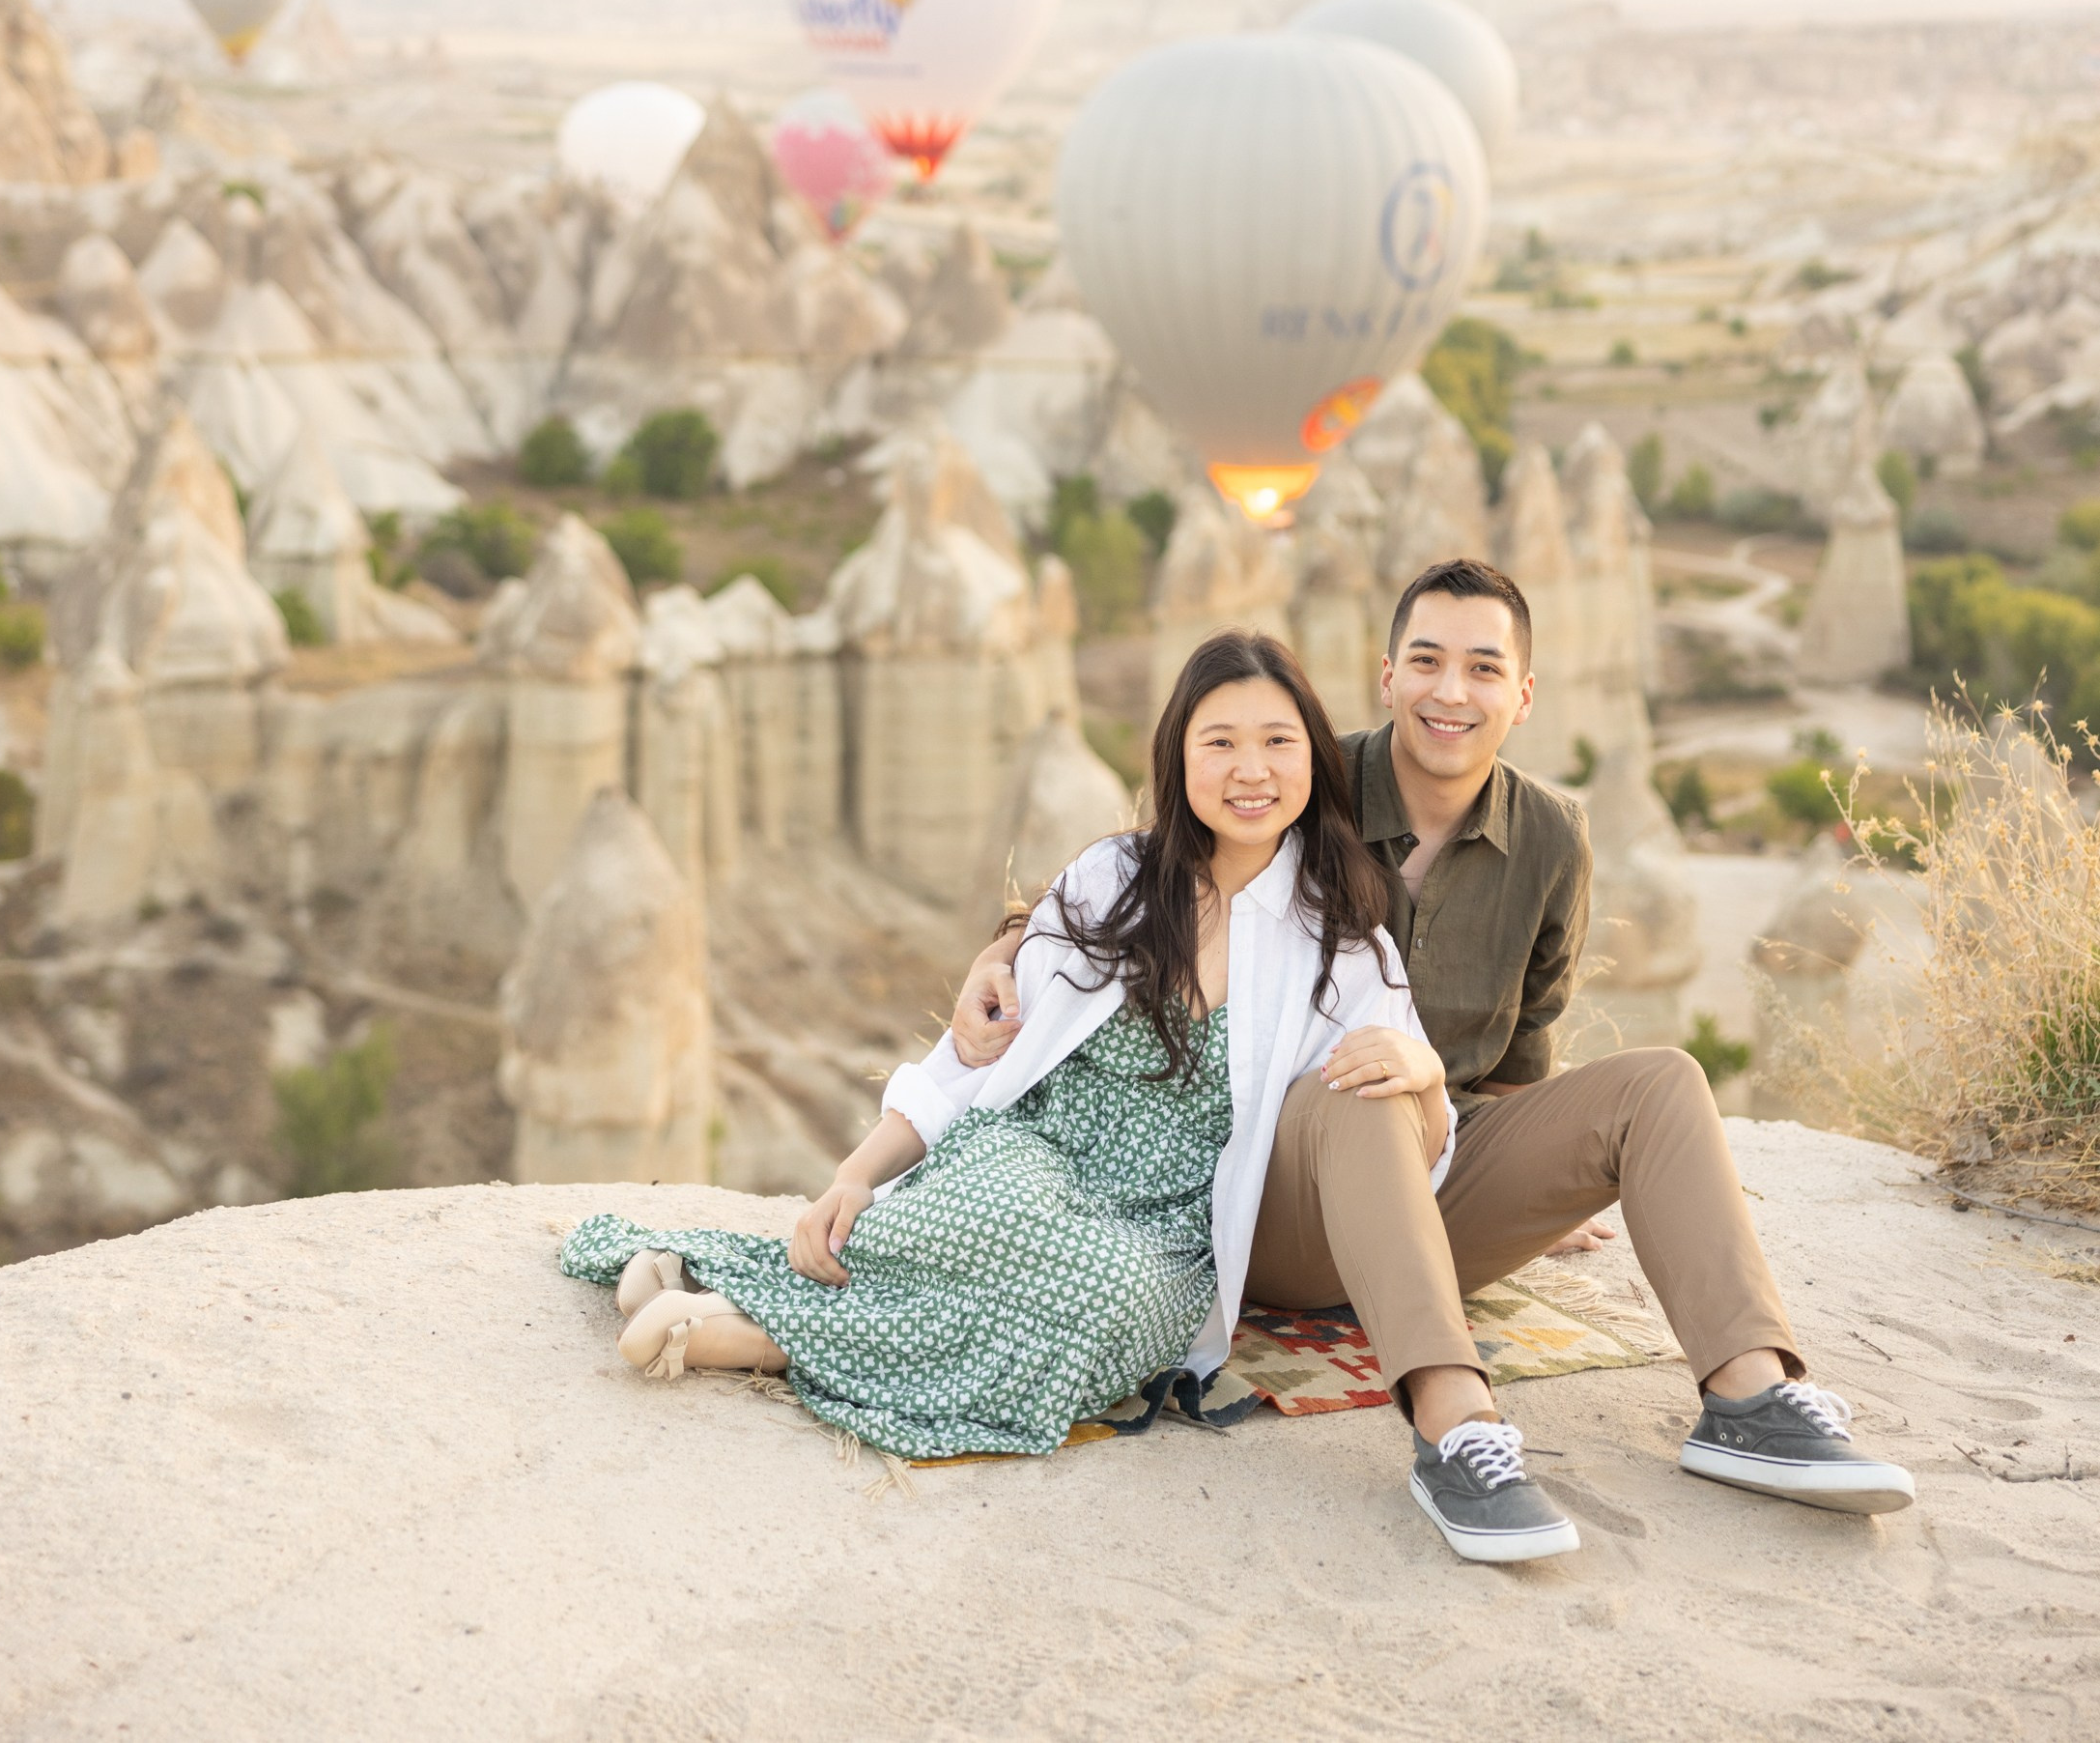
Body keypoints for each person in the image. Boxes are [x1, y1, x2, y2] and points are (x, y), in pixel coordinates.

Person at [951, 557, 1916, 1561]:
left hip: (1434, 1166)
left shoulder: (1550, 839)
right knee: (1365, 1076)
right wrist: (1009, 942)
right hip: (1275, 1188)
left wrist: (1544, 1186)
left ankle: (1748, 1397)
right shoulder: (1301, 784)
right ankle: (1455, 1433)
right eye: (1426, 662)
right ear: (1386, 677)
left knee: (1660, 1081)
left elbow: (1521, 1046)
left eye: (1482, 669)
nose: (1450, 693)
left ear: (1522, 694)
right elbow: (1146, 881)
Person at [556, 630, 1460, 1477]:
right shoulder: (1109, 880)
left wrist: (1425, 1077)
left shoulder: (1341, 943)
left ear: (1313, 758)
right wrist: (856, 1174)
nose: (1250, 771)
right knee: (990, 1219)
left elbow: (1406, 1135)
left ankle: (748, 1330)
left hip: (1163, 1227)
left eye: (1277, 742)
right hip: (1038, 1154)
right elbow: (980, 1055)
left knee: (1108, 1301)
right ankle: (726, 1298)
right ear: (1178, 759)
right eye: (1219, 743)